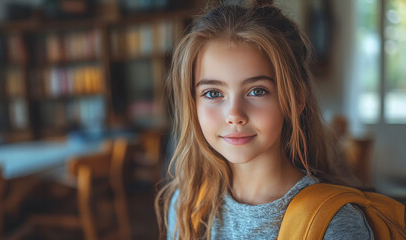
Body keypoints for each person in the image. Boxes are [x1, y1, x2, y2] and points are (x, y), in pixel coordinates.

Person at [155, 1, 373, 239]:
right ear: (192, 104)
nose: (234, 115)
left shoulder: (335, 224)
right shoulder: (186, 204)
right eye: (213, 93)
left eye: (257, 91)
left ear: (296, 99)